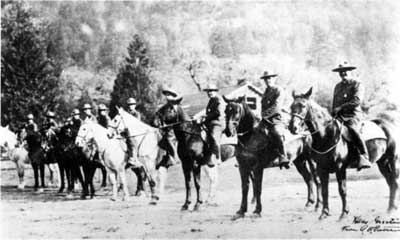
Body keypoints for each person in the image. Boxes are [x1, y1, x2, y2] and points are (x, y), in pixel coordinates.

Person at [332, 61, 371, 170]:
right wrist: (333, 113)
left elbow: (356, 101)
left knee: (353, 130)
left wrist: (340, 108)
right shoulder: (337, 86)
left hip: (353, 115)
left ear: (350, 71)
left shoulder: (357, 84)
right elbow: (334, 103)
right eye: (340, 72)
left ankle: (364, 156)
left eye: (345, 71)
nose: (343, 73)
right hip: (339, 117)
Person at [260, 71, 290, 169]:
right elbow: (263, 106)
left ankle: (283, 156)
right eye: (265, 79)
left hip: (276, 119)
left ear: (274, 79)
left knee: (276, 132)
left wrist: (264, 114)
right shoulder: (265, 92)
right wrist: (261, 115)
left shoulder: (278, 90)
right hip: (265, 120)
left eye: (269, 78)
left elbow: (277, 106)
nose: (267, 80)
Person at [154, 88, 191, 166]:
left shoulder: (178, 108)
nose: (167, 97)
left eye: (169, 95)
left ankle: (176, 157)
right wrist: (158, 123)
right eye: (166, 95)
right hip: (168, 130)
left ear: (174, 97)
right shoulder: (164, 108)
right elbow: (158, 117)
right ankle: (164, 158)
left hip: (180, 129)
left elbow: (186, 119)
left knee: (169, 138)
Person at [202, 83, 226, 168]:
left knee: (214, 136)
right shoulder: (211, 100)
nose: (209, 93)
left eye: (211, 91)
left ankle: (218, 157)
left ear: (215, 91)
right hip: (210, 122)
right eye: (208, 91)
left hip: (218, 123)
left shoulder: (218, 100)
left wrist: (206, 116)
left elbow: (218, 112)